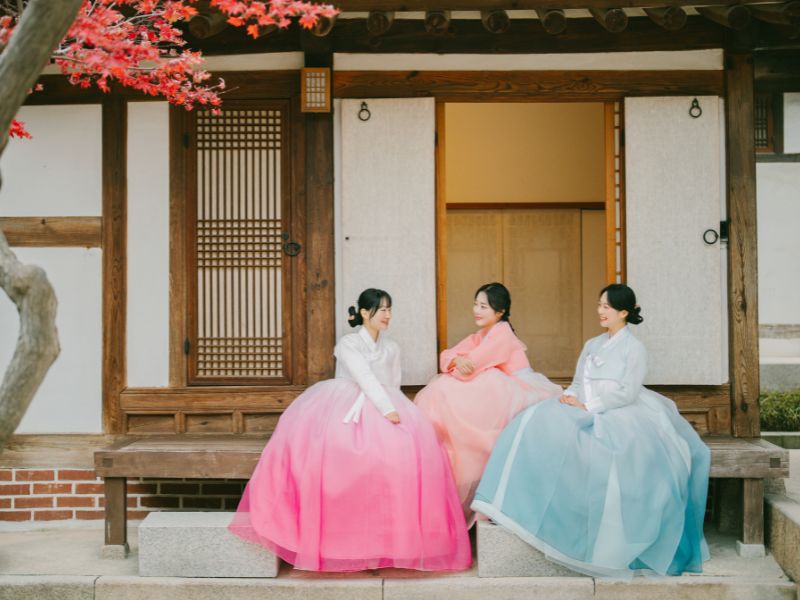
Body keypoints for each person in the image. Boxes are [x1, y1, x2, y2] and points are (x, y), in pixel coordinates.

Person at [472, 284, 710, 578]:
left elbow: (627, 392)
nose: (601, 311)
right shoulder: (592, 344)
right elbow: (576, 381)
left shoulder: (634, 349)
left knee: (606, 451)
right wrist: (571, 398)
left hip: (620, 412)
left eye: (607, 307)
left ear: (624, 312)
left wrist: (590, 406)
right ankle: (514, 505)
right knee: (532, 421)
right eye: (600, 305)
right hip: (584, 404)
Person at [229, 289, 471, 572]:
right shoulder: (348, 343)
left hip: (386, 402)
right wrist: (385, 408)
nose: (388, 315)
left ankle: (387, 542)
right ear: (365, 313)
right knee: (340, 466)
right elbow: (364, 376)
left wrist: (395, 406)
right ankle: (339, 542)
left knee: (399, 462)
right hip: (345, 407)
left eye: (390, 309)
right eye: (381, 310)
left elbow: (393, 381)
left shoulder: (391, 347)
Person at [415, 282, 561, 526]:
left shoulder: (502, 333)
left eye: (484, 306)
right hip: (504, 388)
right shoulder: (480, 335)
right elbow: (447, 355)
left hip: (522, 388)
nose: (477, 310)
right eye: (475, 304)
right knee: (446, 388)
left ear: (500, 312)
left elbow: (472, 366)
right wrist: (456, 361)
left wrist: (460, 363)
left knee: (458, 388)